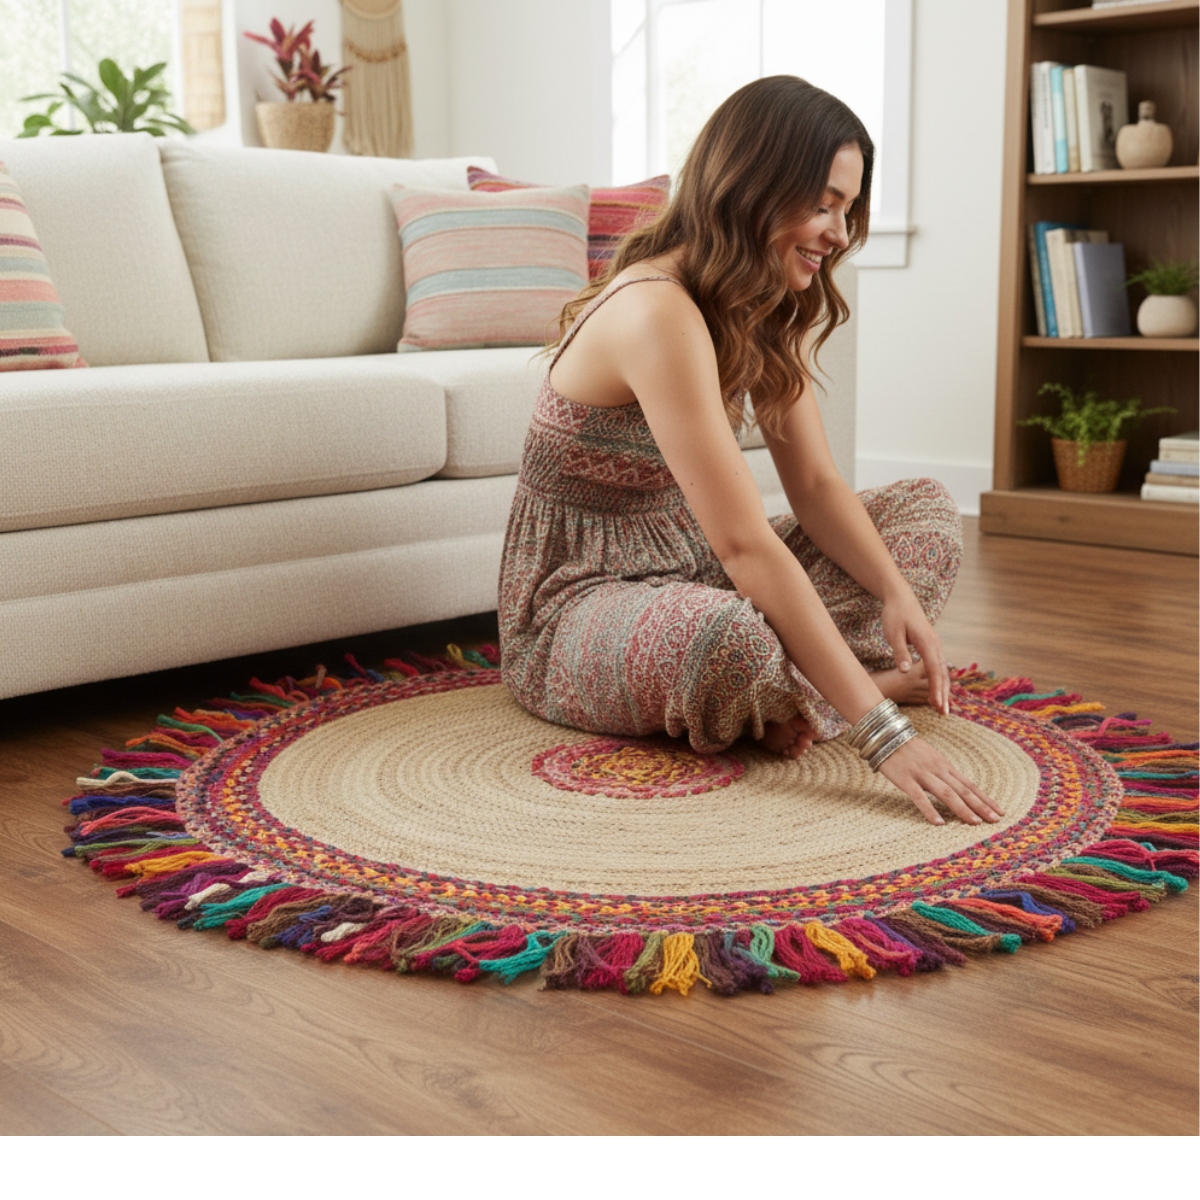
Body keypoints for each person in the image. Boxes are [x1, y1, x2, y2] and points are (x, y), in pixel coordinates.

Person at [498, 75, 1001, 828]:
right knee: (725, 637)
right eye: (824, 204)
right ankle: (832, 689)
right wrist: (884, 735)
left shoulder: (758, 302)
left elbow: (817, 487)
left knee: (925, 514)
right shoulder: (655, 309)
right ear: (754, 186)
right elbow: (744, 546)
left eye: (848, 210)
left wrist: (895, 591)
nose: (840, 233)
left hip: (695, 569)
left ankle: (782, 694)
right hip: (578, 606)